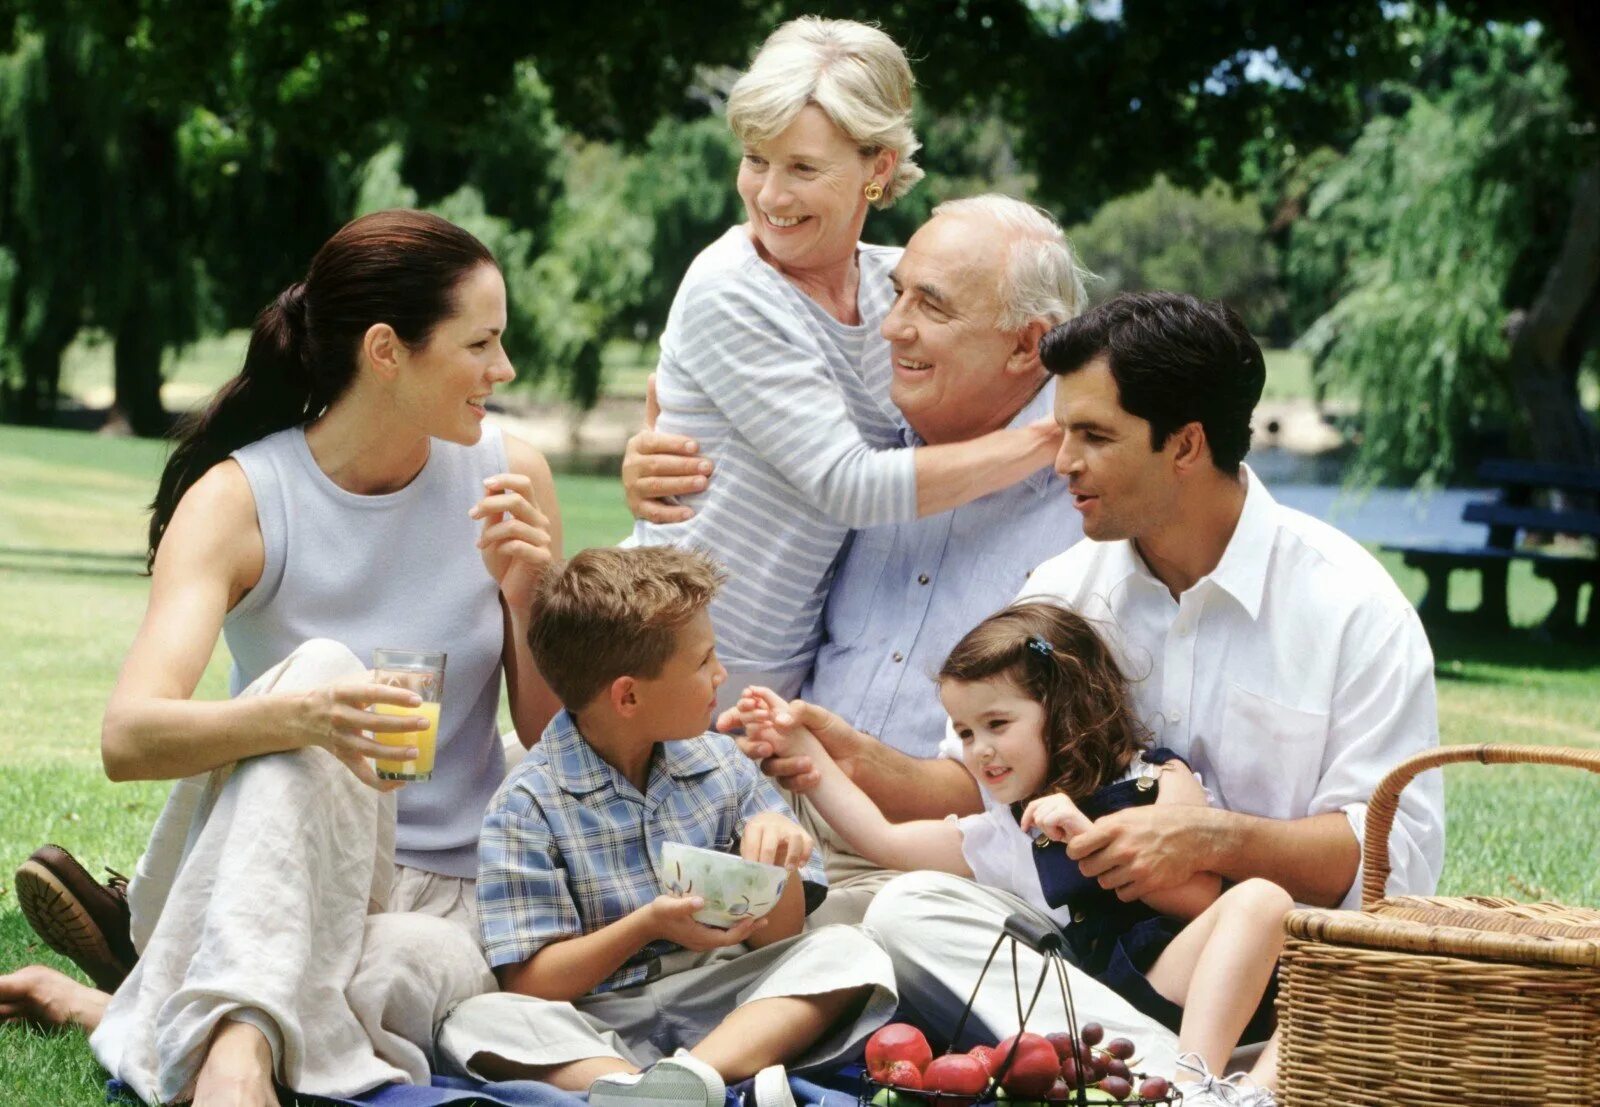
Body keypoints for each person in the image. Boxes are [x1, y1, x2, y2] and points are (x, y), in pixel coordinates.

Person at [735, 291, 1446, 1080]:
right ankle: (1181, 1083)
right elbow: (975, 790)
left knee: (1273, 926)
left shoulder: (1351, 605)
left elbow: (1389, 860)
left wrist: (1210, 840)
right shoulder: (1064, 590)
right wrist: (849, 752)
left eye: (1094, 436)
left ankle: (1126, 1068)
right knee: (908, 910)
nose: (1062, 460)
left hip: (1263, 966)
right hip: (1089, 960)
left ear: (1184, 444)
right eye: (1063, 429)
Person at [1, 209, 562, 1107]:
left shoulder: (509, 480)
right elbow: (128, 736)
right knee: (323, 665)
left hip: (442, 892)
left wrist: (531, 591)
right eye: (481, 344)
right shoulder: (242, 500)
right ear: (387, 350)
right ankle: (233, 1069)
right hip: (250, 868)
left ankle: (132, 1010)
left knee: (397, 977)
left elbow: (544, 731)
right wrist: (304, 715)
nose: (505, 371)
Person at [627, 194, 1089, 923]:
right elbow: (694, 429)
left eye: (930, 307)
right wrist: (649, 457)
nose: (892, 324)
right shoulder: (864, 434)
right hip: (775, 820)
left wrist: (860, 764)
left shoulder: (1088, 496)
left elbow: (1054, 773)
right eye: (897, 292)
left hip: (940, 866)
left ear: (1027, 345)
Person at [630, 18, 1062, 702]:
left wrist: (1109, 413)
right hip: (653, 677)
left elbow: (1040, 337)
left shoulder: (898, 290)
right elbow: (849, 484)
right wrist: (1049, 439)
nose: (770, 195)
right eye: (756, 159)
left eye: (803, 167)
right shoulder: (730, 288)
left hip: (773, 694)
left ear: (878, 167)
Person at [736, 600, 1292, 1104]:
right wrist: (806, 753)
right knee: (904, 903)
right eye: (966, 733)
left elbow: (1197, 898)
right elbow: (883, 840)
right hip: (1092, 1008)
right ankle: (1195, 1090)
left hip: (1184, 983)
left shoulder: (1159, 779)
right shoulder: (1009, 829)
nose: (981, 750)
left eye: (997, 724)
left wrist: (1084, 838)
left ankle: (1192, 1086)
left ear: (1065, 706)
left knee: (1265, 899)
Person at [432, 547, 896, 1107]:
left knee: (849, 950)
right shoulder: (526, 805)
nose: (719, 675)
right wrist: (648, 924)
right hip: (600, 1022)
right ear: (628, 695)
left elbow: (781, 938)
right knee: (476, 1022)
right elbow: (530, 983)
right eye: (703, 663)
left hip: (728, 996)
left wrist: (781, 864)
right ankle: (664, 1086)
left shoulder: (723, 766)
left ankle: (675, 1085)